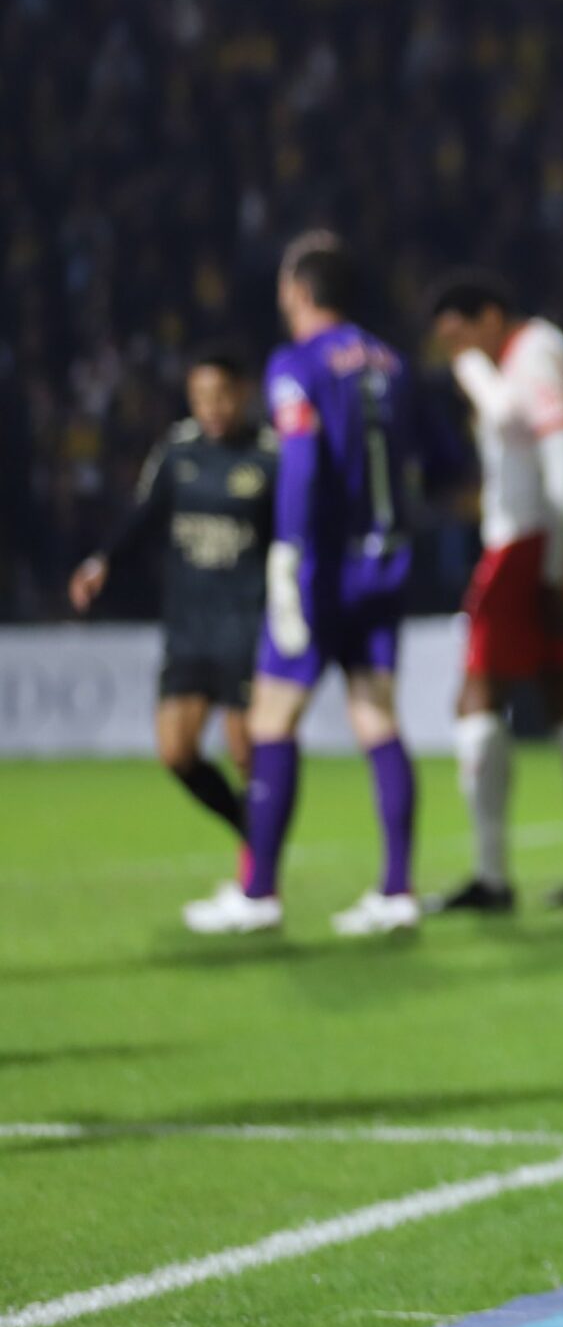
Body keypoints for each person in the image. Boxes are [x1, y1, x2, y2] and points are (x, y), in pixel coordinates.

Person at [183, 232, 426, 938]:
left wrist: (288, 556)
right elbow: (436, 456)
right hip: (387, 566)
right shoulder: (394, 363)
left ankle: (257, 891)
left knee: (269, 721)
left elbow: (302, 465)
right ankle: (398, 888)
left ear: (299, 289)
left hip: (322, 571)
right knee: (377, 718)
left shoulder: (297, 365)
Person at [424, 272, 563, 913]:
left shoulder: (529, 355)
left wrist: (554, 572)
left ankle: (491, 875)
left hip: (528, 547)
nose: (460, 351)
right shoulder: (537, 355)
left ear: (489, 316)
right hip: (549, 543)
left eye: (462, 335)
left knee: (477, 695)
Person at [68, 349, 276, 872]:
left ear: (243, 393)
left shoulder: (270, 456)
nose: (211, 408)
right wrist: (103, 561)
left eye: (221, 396)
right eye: (200, 398)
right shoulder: (178, 451)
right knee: (176, 752)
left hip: (247, 624)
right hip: (188, 625)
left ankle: (256, 876)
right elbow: (144, 515)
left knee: (248, 753)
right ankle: (249, 828)